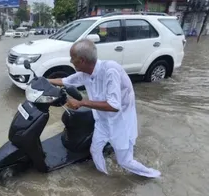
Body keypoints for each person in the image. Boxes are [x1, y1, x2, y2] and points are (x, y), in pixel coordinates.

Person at [48, 39, 161, 178]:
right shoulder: (85, 73)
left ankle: (154, 175)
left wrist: (82, 103)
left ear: (82, 60)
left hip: (120, 122)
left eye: (73, 58)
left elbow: (114, 106)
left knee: (125, 161)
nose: (71, 61)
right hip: (102, 120)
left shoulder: (110, 71)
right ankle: (104, 178)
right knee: (95, 150)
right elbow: (66, 81)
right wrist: (42, 81)